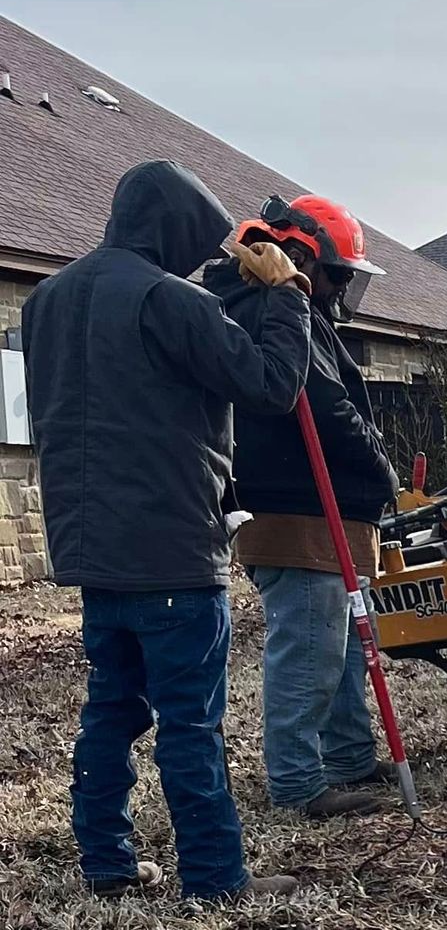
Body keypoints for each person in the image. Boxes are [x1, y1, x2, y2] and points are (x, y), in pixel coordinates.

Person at [22, 161, 313, 901]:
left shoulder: (48, 299)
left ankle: (107, 868)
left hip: (93, 552)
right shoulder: (169, 298)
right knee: (190, 726)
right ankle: (216, 882)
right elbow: (273, 384)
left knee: (110, 714)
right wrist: (286, 294)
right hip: (176, 551)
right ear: (176, 229)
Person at [203, 194, 398, 820]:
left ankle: (348, 757)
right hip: (300, 514)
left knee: (337, 650)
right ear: (302, 257)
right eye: (339, 274)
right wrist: (382, 467)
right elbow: (326, 409)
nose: (343, 289)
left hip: (320, 512)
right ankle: (296, 781)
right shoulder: (276, 311)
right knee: (310, 652)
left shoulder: (291, 312)